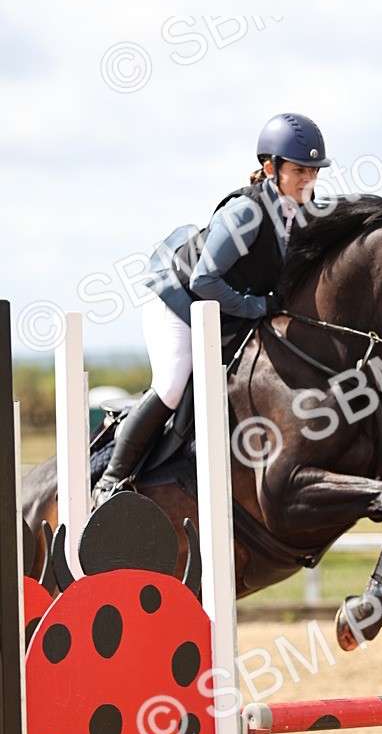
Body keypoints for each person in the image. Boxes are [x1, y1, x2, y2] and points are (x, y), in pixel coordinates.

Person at [91, 112, 331, 506]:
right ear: (270, 168)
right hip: (178, 296)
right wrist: (257, 307)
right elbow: (204, 281)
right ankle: (112, 480)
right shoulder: (246, 213)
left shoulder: (302, 210)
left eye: (314, 170)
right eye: (300, 169)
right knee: (172, 383)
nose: (309, 179)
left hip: (222, 303)